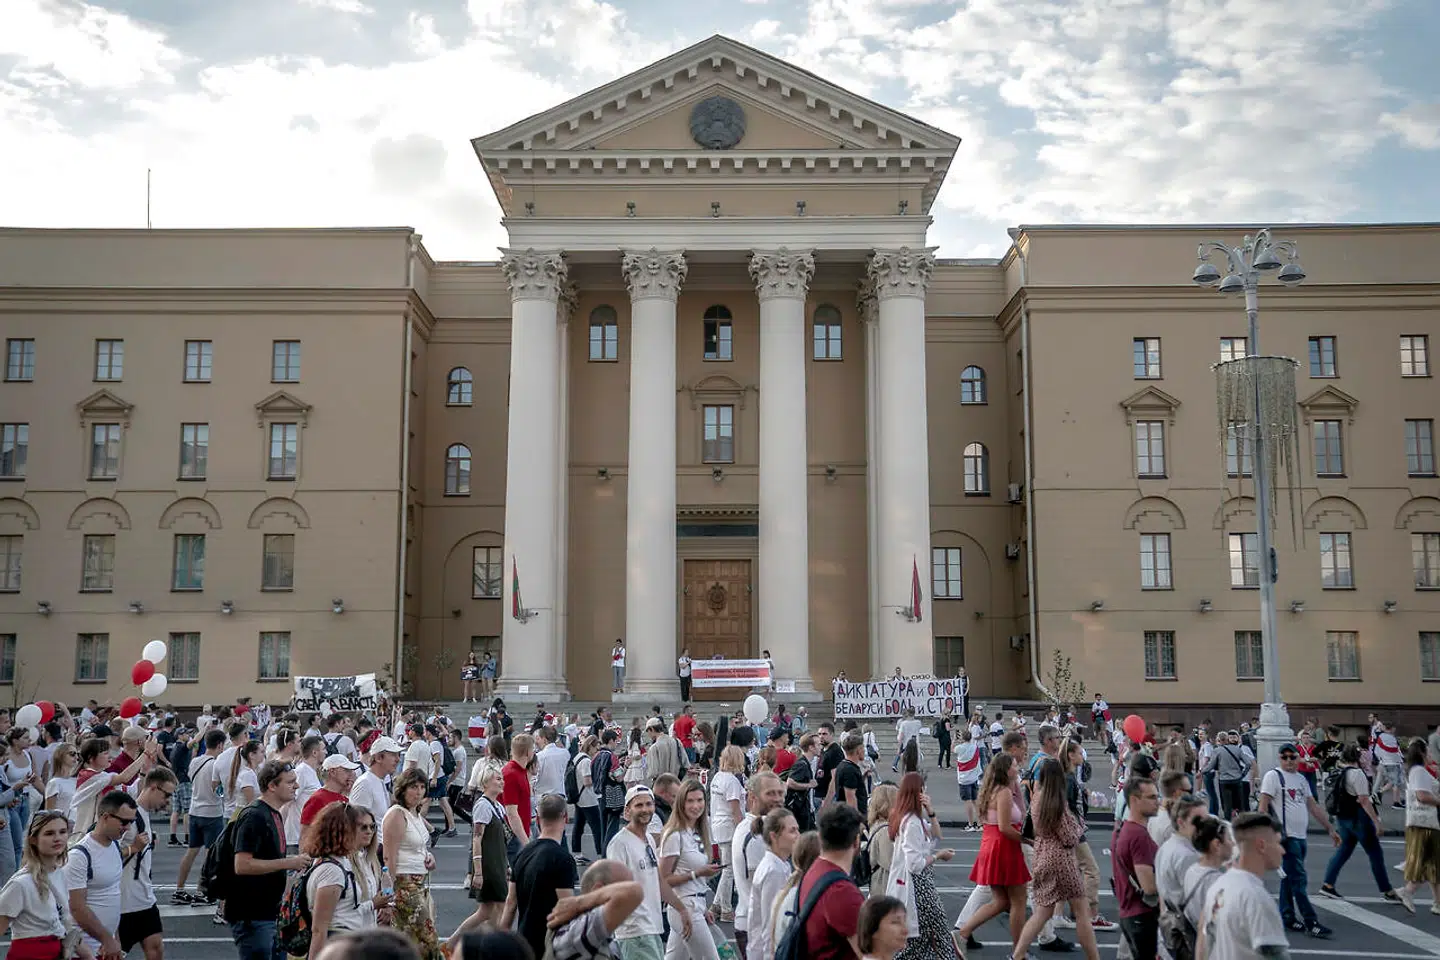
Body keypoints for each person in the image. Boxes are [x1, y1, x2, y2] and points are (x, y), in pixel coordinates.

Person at [1009, 760, 1099, 960]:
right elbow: (1069, 836)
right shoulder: (1058, 802)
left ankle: (1017, 954)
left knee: (1042, 912)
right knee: (1082, 912)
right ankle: (1094, 957)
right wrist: (1077, 828)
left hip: (1042, 855)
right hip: (1062, 859)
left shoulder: (1038, 798)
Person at [226, 761, 311, 960]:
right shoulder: (255, 815)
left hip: (270, 912)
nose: (296, 787)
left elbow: (267, 858)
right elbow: (242, 865)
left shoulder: (273, 814)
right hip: (252, 914)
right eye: (290, 782)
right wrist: (289, 863)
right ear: (272, 786)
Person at [1257, 743, 1337, 938]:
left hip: (1301, 835)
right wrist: (1267, 835)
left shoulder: (1301, 779)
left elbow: (1313, 805)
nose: (1289, 761)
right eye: (1285, 757)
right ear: (1279, 758)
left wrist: (1329, 827)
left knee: (1289, 878)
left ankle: (1287, 916)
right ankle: (1311, 922)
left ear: (1298, 757)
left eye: (1293, 757)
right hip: (1287, 837)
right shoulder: (1273, 776)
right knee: (1299, 881)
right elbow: (1263, 807)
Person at [952, 754, 1028, 956]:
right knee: (1019, 900)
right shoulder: (1003, 793)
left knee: (1001, 901)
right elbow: (1005, 827)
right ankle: (1018, 952)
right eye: (1014, 764)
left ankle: (963, 932)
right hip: (1004, 847)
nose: (1017, 766)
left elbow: (1019, 812)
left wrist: (1017, 789)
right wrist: (1027, 840)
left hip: (992, 846)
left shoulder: (992, 791)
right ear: (1006, 770)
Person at [606, 785, 687, 960]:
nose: (645, 809)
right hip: (634, 932)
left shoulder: (648, 839)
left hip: (652, 927)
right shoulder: (619, 844)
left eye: (649, 804)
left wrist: (682, 909)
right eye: (639, 805)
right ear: (627, 810)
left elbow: (658, 881)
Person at [1320, 743, 1406, 905]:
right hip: (1358, 819)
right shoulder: (1357, 774)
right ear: (1358, 758)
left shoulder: (1339, 772)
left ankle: (1328, 884)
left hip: (1343, 818)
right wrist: (1377, 822)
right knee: (1375, 854)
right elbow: (1364, 800)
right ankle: (1386, 890)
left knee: (1343, 851)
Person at [492, 794, 577, 959]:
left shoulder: (523, 854)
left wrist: (500, 941)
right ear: (565, 818)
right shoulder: (563, 859)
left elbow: (510, 903)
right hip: (551, 943)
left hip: (525, 939)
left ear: (538, 818)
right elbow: (567, 908)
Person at [883, 772, 957, 960]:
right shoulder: (912, 823)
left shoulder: (911, 818)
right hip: (918, 889)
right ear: (918, 792)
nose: (927, 793)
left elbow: (938, 834)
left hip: (917, 887)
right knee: (935, 934)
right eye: (924, 789)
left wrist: (930, 810)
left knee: (920, 940)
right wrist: (938, 855)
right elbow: (914, 864)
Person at [304, 802, 391, 960]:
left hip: (349, 942)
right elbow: (319, 929)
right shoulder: (331, 870)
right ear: (342, 831)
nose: (368, 832)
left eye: (372, 827)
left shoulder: (341, 863)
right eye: (359, 827)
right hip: (339, 944)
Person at [1196, 812, 1288, 959]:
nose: (1282, 850)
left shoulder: (1218, 886)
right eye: (1278, 843)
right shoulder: (1256, 898)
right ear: (1262, 845)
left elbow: (1204, 944)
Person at [0, 812, 86, 960]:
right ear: (33, 840)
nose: (57, 838)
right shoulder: (20, 883)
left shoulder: (60, 873)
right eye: (49, 833)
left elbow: (64, 923)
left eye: (62, 832)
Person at [67, 791, 135, 960]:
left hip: (105, 948)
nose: (128, 828)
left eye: (131, 822)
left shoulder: (113, 846)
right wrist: (107, 939)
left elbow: (112, 896)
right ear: (105, 817)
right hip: (84, 951)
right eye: (124, 822)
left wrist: (114, 938)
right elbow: (77, 908)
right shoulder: (80, 855)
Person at [658, 777, 721, 960]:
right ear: (681, 803)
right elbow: (663, 879)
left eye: (700, 800)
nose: (696, 806)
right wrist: (698, 873)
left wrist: (704, 907)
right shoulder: (674, 835)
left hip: (695, 905)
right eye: (690, 801)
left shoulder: (696, 832)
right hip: (684, 907)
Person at [380, 769, 440, 959]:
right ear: (403, 789)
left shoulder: (414, 814)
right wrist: (387, 899)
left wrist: (429, 856)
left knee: (412, 943)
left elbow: (416, 845)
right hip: (404, 886)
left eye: (422, 787)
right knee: (428, 940)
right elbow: (389, 858)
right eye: (414, 787)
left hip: (419, 883)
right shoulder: (397, 815)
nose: (419, 792)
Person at [117, 768, 176, 960]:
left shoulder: (143, 814)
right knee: (114, 953)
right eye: (166, 794)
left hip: (144, 897)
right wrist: (134, 848)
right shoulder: (129, 817)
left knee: (155, 948)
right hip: (124, 901)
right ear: (153, 787)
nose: (168, 800)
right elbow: (104, 855)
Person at [797, 803, 866, 960]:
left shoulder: (814, 870)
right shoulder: (842, 891)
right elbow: (867, 953)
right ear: (856, 842)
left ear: (820, 838)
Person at [545, 859, 644, 960]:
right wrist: (580, 902)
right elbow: (634, 892)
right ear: (598, 889)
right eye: (621, 886)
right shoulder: (577, 932)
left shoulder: (596, 934)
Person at [172, 729, 226, 905]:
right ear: (220, 745)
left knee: (191, 852)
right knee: (210, 856)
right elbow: (218, 789)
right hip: (212, 812)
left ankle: (179, 890)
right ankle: (202, 892)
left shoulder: (195, 761)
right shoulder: (216, 764)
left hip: (195, 810)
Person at [1112, 777, 1161, 960]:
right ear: (1134, 800)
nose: (1158, 802)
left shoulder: (1123, 830)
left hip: (1130, 913)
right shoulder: (1138, 835)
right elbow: (1148, 886)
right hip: (1142, 914)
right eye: (1151, 797)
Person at [747, 808, 798, 960]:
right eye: (792, 831)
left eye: (797, 830)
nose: (798, 836)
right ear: (774, 836)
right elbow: (770, 924)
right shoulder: (773, 871)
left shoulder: (781, 865)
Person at [462, 768, 509, 928]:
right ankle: (500, 944)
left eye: (501, 778)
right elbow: (476, 839)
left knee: (487, 911)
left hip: (498, 863)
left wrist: (507, 865)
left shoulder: (497, 806)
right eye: (497, 779)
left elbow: (500, 840)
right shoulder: (483, 806)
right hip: (489, 865)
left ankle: (452, 944)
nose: (502, 781)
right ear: (485, 783)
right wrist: (478, 872)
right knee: (501, 907)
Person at [1398, 736, 1440, 914]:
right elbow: (1422, 796)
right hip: (1425, 823)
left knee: (1433, 864)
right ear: (1422, 753)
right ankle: (1407, 891)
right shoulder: (1419, 772)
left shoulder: (1417, 771)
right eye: (1429, 750)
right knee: (1428, 863)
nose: (1431, 753)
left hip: (1425, 822)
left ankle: (1437, 902)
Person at [708, 746, 745, 924]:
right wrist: (743, 830)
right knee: (729, 870)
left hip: (718, 824)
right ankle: (726, 908)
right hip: (729, 826)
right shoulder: (732, 781)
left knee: (726, 868)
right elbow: (735, 811)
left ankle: (716, 906)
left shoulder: (717, 777)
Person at [1179, 817, 1231, 935]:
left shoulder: (1192, 870)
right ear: (1217, 844)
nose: (1232, 844)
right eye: (1228, 839)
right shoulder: (1216, 881)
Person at [348, 738, 403, 824]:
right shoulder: (365, 783)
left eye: (398, 755)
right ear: (378, 758)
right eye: (393, 755)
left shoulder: (379, 781)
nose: (398, 759)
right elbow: (355, 823)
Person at [304, 754, 360, 827]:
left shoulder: (344, 799)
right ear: (333, 772)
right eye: (346, 770)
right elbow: (305, 833)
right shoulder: (317, 799)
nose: (352, 774)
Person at [865, 784, 898, 896]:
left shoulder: (876, 825)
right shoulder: (885, 831)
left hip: (879, 886)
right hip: (885, 887)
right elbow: (890, 863)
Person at [954, 729, 982, 831]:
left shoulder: (959, 748)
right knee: (976, 801)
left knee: (967, 801)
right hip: (974, 777)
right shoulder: (975, 747)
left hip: (964, 778)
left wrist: (954, 740)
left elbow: (952, 749)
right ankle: (980, 824)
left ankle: (970, 824)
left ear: (962, 738)